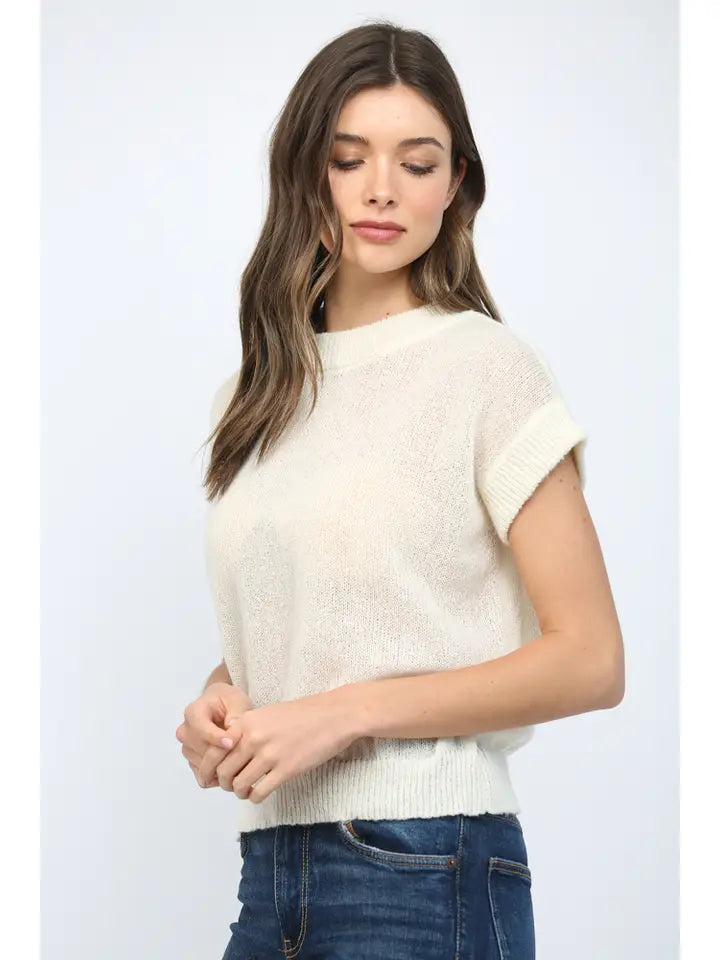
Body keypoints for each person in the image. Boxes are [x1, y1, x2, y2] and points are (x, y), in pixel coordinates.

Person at [175, 19, 625, 960]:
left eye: (417, 163)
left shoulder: (486, 369)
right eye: (349, 159)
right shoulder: (253, 395)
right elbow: (333, 617)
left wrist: (343, 713)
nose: (381, 188)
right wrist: (226, 702)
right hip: (271, 868)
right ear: (306, 172)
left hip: (426, 860)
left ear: (454, 184)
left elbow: (591, 659)